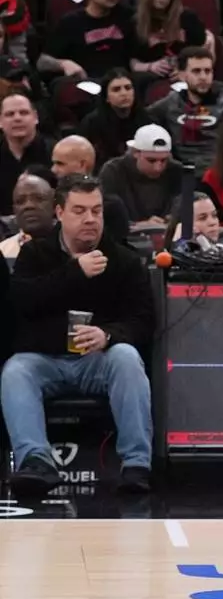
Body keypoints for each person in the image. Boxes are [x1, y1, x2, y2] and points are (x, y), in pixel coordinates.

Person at [2, 174, 154, 495]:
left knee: (126, 357)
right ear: (59, 212)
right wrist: (75, 272)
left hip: (98, 359)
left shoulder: (124, 260)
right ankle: (36, 461)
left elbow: (142, 320)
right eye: (80, 210)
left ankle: (137, 464)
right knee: (16, 370)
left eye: (96, 211)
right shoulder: (36, 254)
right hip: (46, 359)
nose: (90, 219)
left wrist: (107, 335)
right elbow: (22, 304)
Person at [147, 47, 223, 171]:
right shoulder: (172, 102)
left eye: (208, 71)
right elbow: (144, 117)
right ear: (182, 75)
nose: (203, 77)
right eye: (196, 71)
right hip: (180, 171)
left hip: (218, 171)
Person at [38, 0, 133, 79]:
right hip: (86, 83)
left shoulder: (127, 16)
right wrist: (63, 64)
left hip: (123, 82)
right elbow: (42, 62)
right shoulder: (71, 22)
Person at [98, 123, 185, 228]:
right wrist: (136, 226)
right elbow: (105, 214)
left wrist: (173, 220)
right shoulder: (113, 172)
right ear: (136, 153)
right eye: (151, 160)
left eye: (164, 160)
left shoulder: (178, 172)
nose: (158, 168)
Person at [75, 68, 151, 169]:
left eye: (128, 88)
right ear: (106, 97)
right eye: (116, 89)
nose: (124, 93)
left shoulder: (147, 120)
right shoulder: (92, 123)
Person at [2, 173, 56, 258]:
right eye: (20, 201)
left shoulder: (74, 249)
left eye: (38, 198)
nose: (28, 205)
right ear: (14, 210)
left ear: (54, 205)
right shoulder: (3, 252)